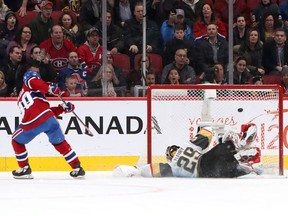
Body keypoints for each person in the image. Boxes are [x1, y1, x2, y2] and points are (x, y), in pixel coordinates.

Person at [11, 60, 85, 179]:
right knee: (59, 143)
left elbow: (45, 111)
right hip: (49, 121)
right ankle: (76, 166)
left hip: (35, 120)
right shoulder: (30, 83)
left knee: (16, 140)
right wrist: (49, 88)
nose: (35, 75)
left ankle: (24, 168)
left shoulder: (36, 90)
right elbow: (45, 111)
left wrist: (62, 108)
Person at [113, 123, 262, 178]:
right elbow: (207, 132)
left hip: (210, 174)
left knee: (235, 168)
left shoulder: (173, 167)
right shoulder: (187, 147)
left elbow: (153, 169)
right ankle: (242, 146)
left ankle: (250, 165)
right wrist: (218, 135)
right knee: (227, 148)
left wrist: (135, 170)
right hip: (209, 162)